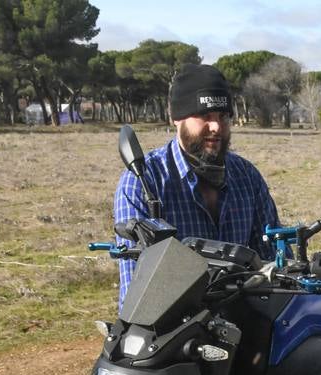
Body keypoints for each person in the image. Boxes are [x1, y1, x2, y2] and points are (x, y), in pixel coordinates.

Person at [113, 63, 279, 308]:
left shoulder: (247, 177)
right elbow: (135, 295)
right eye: (205, 116)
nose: (216, 127)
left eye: (223, 117)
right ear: (176, 118)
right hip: (178, 332)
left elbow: (273, 261)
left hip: (245, 323)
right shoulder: (143, 182)